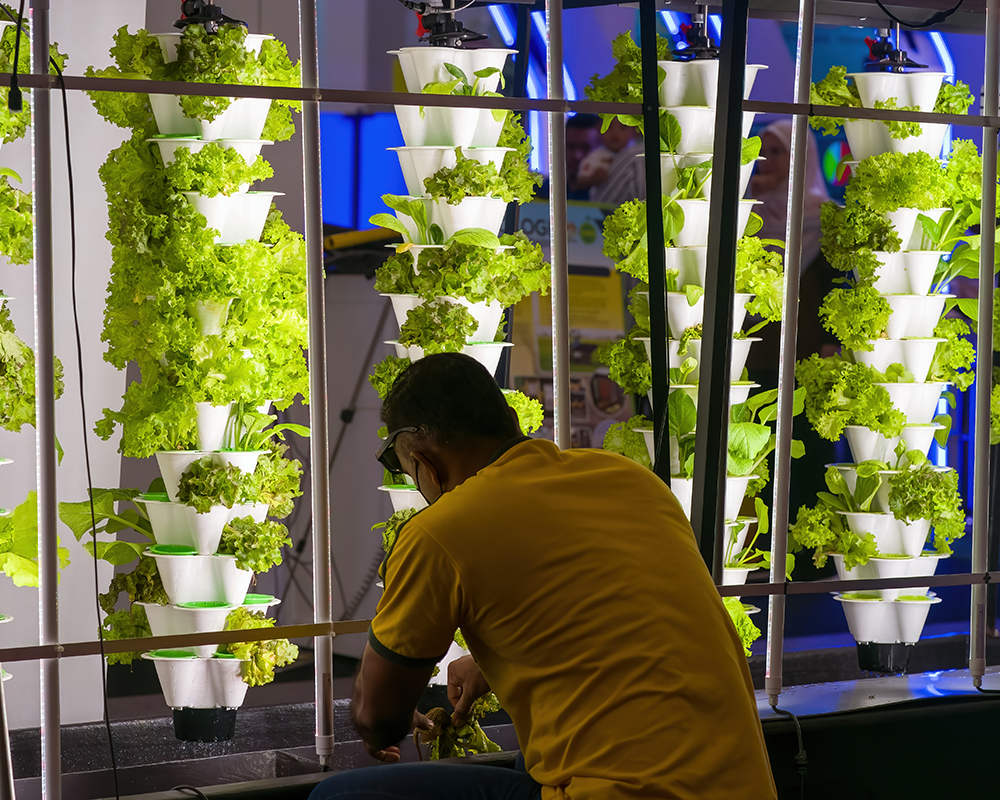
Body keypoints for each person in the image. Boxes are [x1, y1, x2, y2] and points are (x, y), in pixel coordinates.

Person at [309, 353, 777, 800]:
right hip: (746, 788)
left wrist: (385, 711)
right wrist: (494, 661)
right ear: (510, 420)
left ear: (426, 466)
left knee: (340, 796)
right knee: (528, 764)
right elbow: (616, 612)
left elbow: (378, 719)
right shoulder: (630, 479)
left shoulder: (437, 532)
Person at [576, 117, 646, 205]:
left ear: (634, 132)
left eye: (623, 128)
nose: (615, 133)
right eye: (608, 127)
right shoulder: (596, 156)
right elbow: (580, 180)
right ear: (598, 130)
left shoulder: (636, 155)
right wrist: (594, 177)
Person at [537, 113, 601, 201]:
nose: (577, 155)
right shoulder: (547, 190)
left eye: (585, 148)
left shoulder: (608, 191)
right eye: (570, 146)